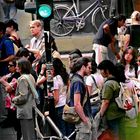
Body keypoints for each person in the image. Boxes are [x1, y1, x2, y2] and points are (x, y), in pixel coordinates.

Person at [97, 60, 126, 140]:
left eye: (101, 70)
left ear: (107, 70)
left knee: (115, 136)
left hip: (112, 115)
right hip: (120, 112)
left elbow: (106, 102)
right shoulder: (116, 80)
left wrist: (100, 115)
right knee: (122, 135)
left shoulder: (108, 84)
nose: (101, 72)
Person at [12, 57, 36, 140]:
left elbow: (23, 97)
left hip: (25, 111)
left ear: (22, 66)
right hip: (31, 109)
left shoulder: (22, 79)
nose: (16, 67)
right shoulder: (30, 76)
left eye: (18, 65)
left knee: (26, 135)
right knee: (30, 134)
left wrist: (14, 99)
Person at [70, 57, 93, 140]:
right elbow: (77, 104)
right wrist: (85, 120)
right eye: (89, 67)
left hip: (82, 118)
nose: (90, 70)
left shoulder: (76, 79)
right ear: (83, 67)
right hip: (82, 119)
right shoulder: (78, 82)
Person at [0, 59, 21, 140]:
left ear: (16, 67)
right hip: (10, 102)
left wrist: (3, 81)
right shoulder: (10, 74)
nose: (8, 67)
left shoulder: (16, 76)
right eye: (8, 65)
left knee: (17, 124)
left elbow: (9, 88)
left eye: (11, 65)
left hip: (15, 102)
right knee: (15, 123)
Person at [52, 58, 71, 136]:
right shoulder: (65, 76)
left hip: (59, 106)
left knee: (61, 129)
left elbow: (56, 98)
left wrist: (52, 106)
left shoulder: (55, 79)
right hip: (66, 104)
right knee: (68, 129)